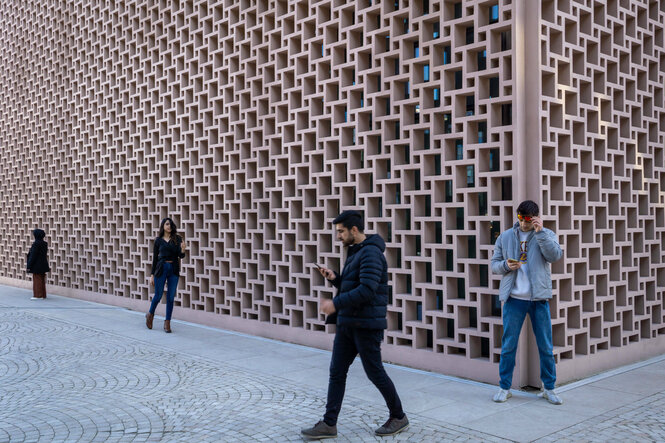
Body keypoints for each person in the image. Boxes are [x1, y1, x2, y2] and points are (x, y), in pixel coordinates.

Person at [301, 210, 408, 439]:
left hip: (366, 325)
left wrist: (335, 304)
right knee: (336, 372)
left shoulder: (370, 253)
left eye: (341, 231)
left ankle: (398, 416)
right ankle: (329, 423)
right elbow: (354, 285)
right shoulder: (356, 251)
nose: (338, 236)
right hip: (348, 324)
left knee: (375, 372)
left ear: (354, 230)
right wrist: (335, 278)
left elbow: (367, 291)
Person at [490, 200, 564, 405]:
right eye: (521, 219)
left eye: (528, 220)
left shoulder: (546, 234)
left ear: (536, 218)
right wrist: (506, 265)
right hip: (514, 299)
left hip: (538, 298)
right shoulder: (505, 237)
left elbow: (555, 255)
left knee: (545, 347)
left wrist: (540, 234)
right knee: (508, 346)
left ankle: (549, 388)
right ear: (517, 216)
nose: (524, 224)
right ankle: (504, 387)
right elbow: (494, 265)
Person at [146, 218, 186, 333]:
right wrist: (152, 275)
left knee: (170, 297)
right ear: (163, 226)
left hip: (173, 269)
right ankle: (150, 314)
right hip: (161, 268)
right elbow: (154, 259)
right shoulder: (158, 240)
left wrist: (183, 250)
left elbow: (181, 256)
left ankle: (167, 322)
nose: (169, 226)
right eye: (167, 224)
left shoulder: (177, 239)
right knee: (158, 295)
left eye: (170, 224)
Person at [26, 228, 51, 300]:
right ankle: (43, 294)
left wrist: (29, 266)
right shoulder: (44, 244)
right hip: (43, 264)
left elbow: (33, 256)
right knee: (42, 280)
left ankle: (38, 295)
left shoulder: (36, 244)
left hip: (36, 265)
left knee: (37, 280)